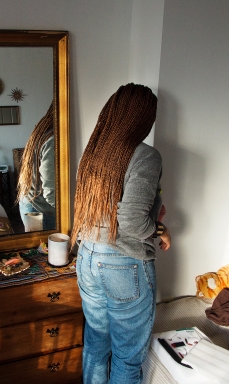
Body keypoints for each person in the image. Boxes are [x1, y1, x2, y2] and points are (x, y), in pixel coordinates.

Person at [70, 83, 171, 384]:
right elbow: (130, 221)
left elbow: (109, 213)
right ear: (143, 118)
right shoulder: (145, 156)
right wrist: (156, 230)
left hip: (87, 255)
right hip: (122, 264)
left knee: (96, 344)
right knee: (127, 357)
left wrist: (156, 226)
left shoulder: (94, 154)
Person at [16, 101, 56, 230]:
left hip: (31, 201)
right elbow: (50, 189)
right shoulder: (53, 138)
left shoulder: (43, 130)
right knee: (43, 250)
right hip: (40, 209)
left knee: (36, 249)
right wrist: (68, 212)